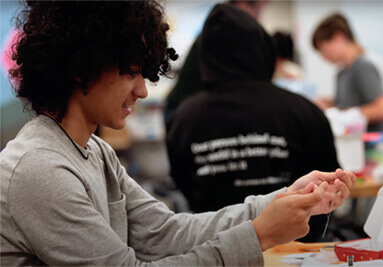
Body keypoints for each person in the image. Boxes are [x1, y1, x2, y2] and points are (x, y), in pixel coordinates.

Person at [0, 1, 355, 265]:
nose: (141, 90)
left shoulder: (96, 151)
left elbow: (166, 233)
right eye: (132, 72)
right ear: (82, 68)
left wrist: (280, 201)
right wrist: (259, 234)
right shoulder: (40, 170)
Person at [166, 4, 341, 242]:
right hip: (298, 250)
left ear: (204, 56)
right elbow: (330, 180)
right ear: (262, 48)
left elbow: (182, 181)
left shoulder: (182, 119)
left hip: (216, 248)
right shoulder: (304, 112)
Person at [164, 0, 266, 122]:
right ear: (235, 5)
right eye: (252, 5)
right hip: (184, 109)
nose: (257, 15)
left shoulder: (226, 32)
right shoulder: (219, 34)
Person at [312, 13, 383, 132]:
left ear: (339, 37)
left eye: (323, 49)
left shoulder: (363, 66)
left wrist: (348, 115)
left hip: (373, 145)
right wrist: (330, 105)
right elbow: (347, 105)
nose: (323, 57)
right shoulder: (342, 73)